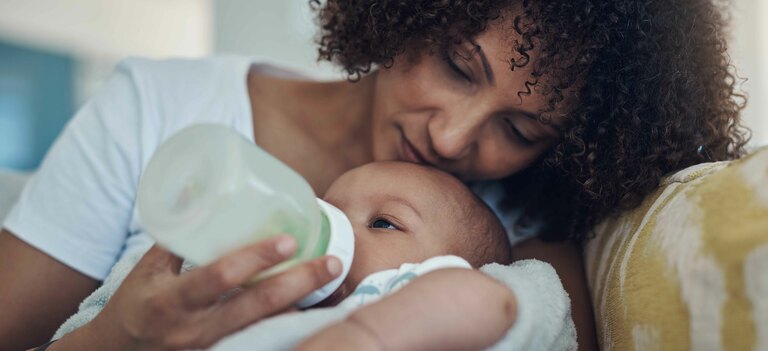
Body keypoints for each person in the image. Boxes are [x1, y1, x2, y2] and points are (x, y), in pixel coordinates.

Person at [0, 0, 748, 350]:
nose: (453, 137)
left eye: (520, 130)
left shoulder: (523, 234)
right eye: (459, 64)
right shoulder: (162, 109)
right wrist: (114, 338)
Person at [56, 161, 547, 351]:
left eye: (383, 223)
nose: (328, 230)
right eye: (327, 211)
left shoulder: (419, 291)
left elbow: (486, 301)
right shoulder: (247, 299)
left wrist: (362, 337)